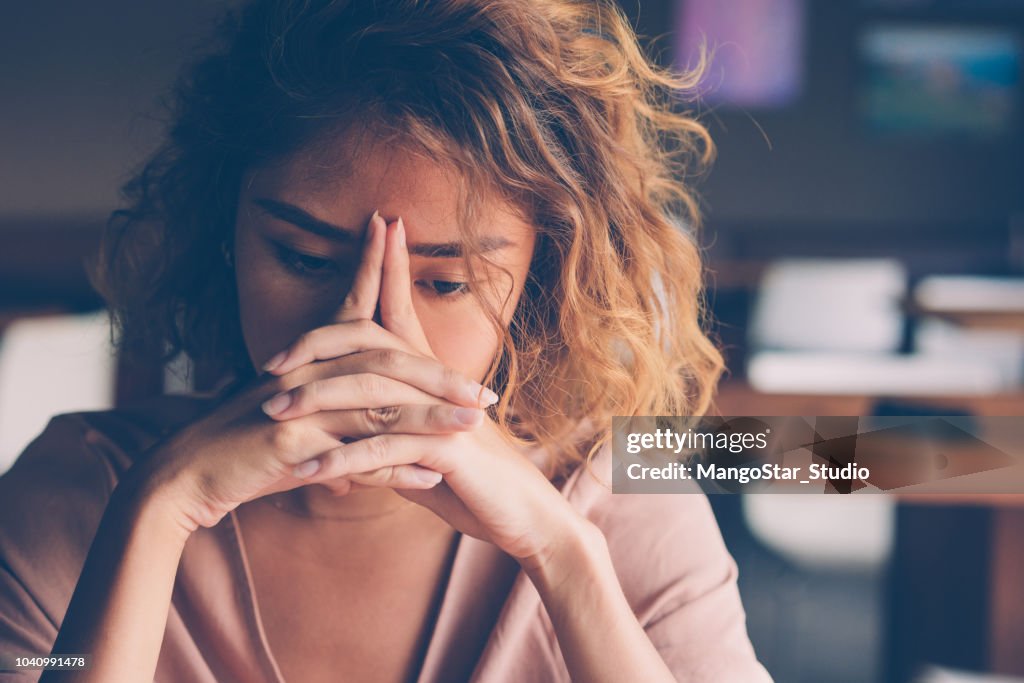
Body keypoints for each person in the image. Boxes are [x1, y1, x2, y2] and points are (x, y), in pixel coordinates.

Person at [0, 0, 772, 681]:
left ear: (541, 277)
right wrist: (160, 510)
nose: (367, 332)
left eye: (446, 282)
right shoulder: (81, 493)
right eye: (303, 258)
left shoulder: (620, 504)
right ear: (225, 231)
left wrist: (565, 560)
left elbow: (885, 460)